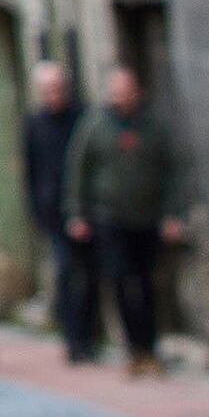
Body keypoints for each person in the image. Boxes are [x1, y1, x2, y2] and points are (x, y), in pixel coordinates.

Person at [68, 61, 184, 377]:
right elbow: (79, 171)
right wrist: (77, 214)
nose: (121, 97)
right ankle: (132, 349)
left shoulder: (153, 126)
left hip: (146, 218)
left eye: (126, 91)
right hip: (109, 218)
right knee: (119, 281)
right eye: (116, 91)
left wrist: (173, 214)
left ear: (137, 92)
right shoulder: (95, 125)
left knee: (147, 284)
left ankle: (150, 348)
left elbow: (171, 170)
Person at [19, 58, 96, 364]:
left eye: (57, 87)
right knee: (65, 273)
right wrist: (37, 211)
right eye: (47, 89)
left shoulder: (82, 118)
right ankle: (72, 338)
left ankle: (88, 336)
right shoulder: (35, 124)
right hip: (54, 212)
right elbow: (31, 169)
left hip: (87, 209)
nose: (53, 94)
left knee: (89, 275)